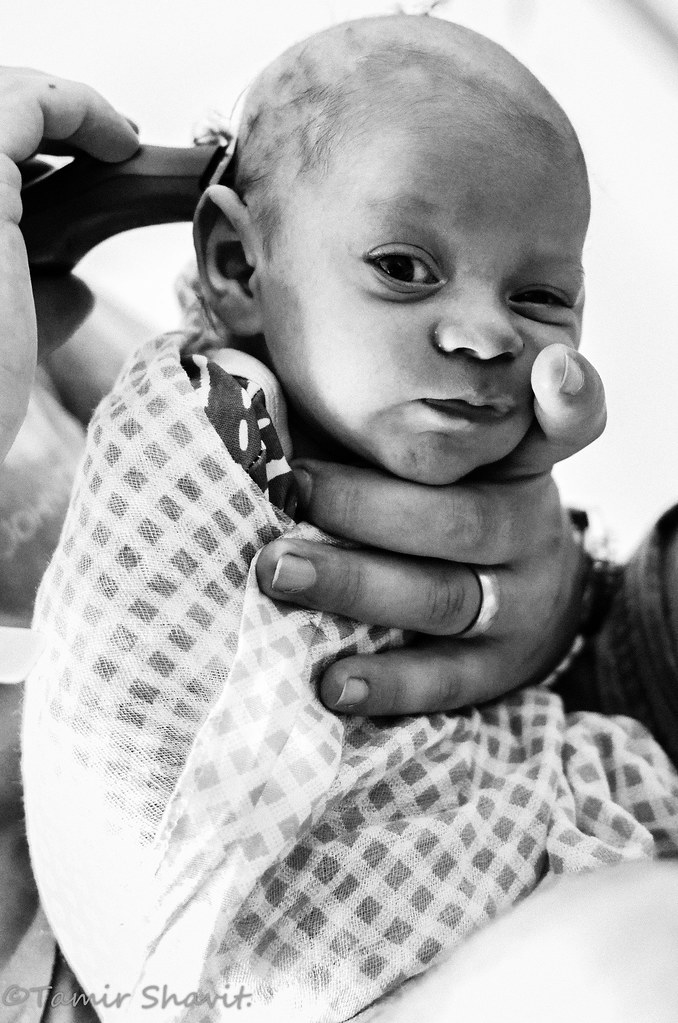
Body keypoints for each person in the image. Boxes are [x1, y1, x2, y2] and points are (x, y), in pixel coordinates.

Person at [2, 20, 678, 1022]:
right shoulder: (188, 423)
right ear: (235, 264)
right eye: (406, 268)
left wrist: (570, 594)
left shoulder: (230, 377)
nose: (489, 335)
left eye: (540, 295)